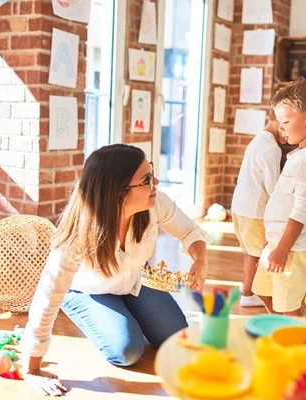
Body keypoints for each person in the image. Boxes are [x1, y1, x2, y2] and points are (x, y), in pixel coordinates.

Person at [21, 144, 209, 396]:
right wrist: (32, 369)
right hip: (89, 290)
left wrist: (200, 260)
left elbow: (188, 231)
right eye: (146, 179)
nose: (156, 181)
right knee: (127, 351)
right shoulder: (78, 234)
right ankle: (83, 306)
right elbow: (48, 295)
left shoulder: (154, 203)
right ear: (119, 192)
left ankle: (126, 312)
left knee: (174, 335)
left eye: (151, 172)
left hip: (132, 282)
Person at [252, 80, 306, 316]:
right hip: (279, 241)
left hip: (294, 249)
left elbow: (301, 210)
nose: (281, 129)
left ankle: (292, 341)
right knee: (262, 289)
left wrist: (283, 248)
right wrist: (275, 239)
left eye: (285, 122)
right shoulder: (299, 155)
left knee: (288, 304)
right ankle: (280, 329)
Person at [231, 109, 285, 307]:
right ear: (281, 122)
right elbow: (273, 188)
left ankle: (247, 285)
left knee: (249, 252)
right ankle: (248, 294)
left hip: (239, 206)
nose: (288, 137)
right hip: (254, 211)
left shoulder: (259, 139)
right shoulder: (272, 149)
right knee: (256, 253)